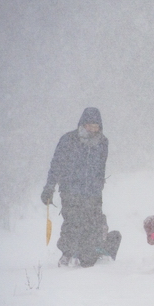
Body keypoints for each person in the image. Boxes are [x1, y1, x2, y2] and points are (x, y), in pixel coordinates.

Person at [41, 107, 120, 267]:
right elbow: (56, 165)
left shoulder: (103, 142)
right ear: (82, 124)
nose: (93, 128)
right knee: (72, 223)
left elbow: (100, 167)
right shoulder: (68, 140)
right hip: (71, 190)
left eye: (96, 126)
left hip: (93, 193)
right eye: (89, 125)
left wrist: (98, 187)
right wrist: (50, 187)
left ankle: (88, 254)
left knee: (92, 225)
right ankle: (67, 254)